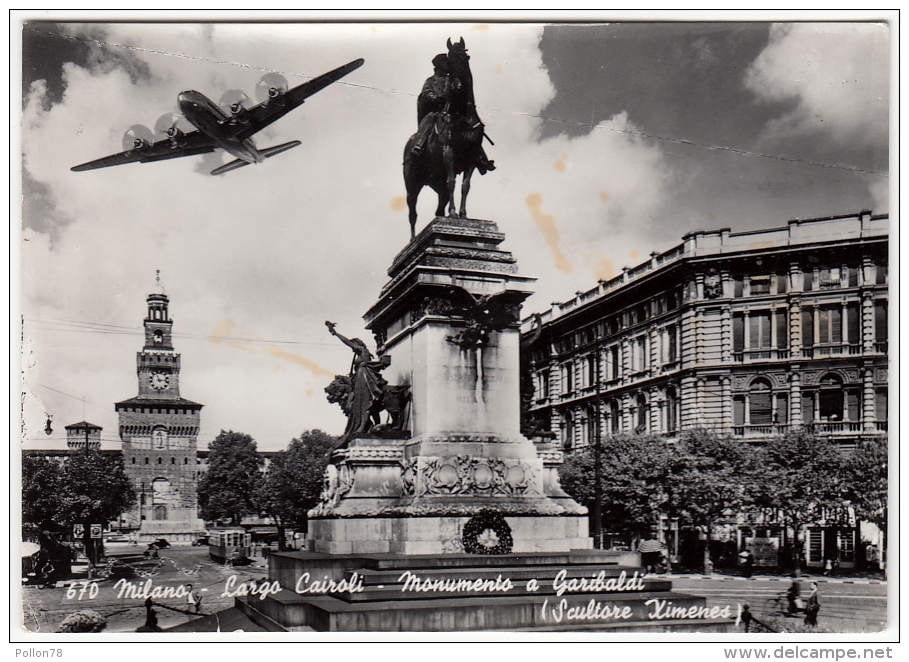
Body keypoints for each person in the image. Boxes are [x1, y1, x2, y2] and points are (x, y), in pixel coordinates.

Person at [326, 321, 390, 446]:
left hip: (365, 377)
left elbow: (348, 343)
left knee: (364, 402)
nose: (353, 347)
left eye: (354, 344)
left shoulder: (362, 350)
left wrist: (335, 333)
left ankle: (361, 426)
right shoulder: (362, 353)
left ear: (358, 344)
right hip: (360, 377)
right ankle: (367, 425)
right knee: (361, 402)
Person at [411, 54, 452, 158]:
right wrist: (434, 98)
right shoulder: (430, 81)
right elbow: (426, 92)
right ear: (438, 65)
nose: (447, 65)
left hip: (450, 110)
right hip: (437, 110)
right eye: (444, 62)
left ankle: (480, 157)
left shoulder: (451, 80)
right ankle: (419, 144)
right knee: (429, 120)